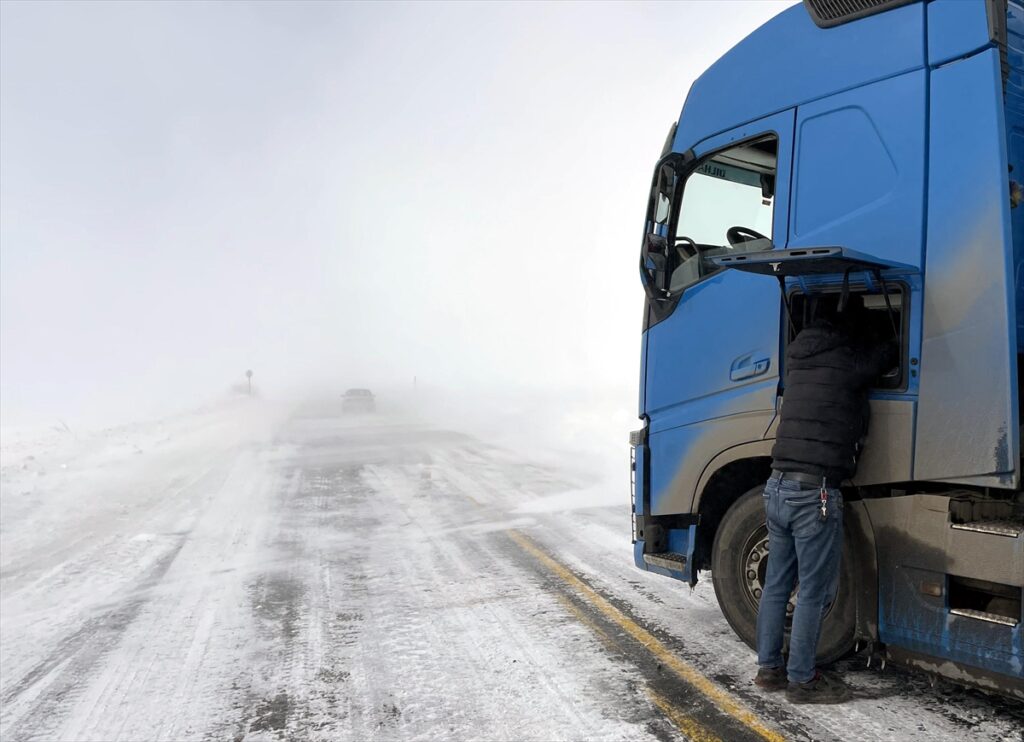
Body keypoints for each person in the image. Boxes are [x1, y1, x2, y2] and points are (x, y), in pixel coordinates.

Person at [753, 293, 895, 704]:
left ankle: (769, 670)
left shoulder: (797, 359)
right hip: (814, 492)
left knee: (778, 584)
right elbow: (886, 355)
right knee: (814, 591)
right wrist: (882, 330)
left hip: (776, 485)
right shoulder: (848, 362)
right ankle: (802, 681)